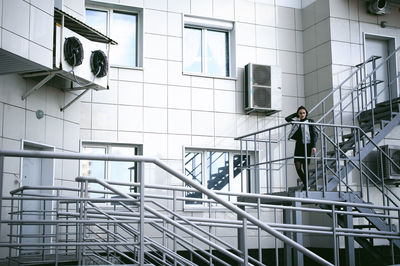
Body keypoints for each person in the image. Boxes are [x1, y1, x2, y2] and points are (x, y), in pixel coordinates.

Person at [285, 106, 318, 189]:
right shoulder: (296, 122)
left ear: (306, 113)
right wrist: (295, 114)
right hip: (299, 145)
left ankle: (306, 186)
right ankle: (306, 184)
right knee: (297, 166)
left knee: (305, 166)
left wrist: (314, 146)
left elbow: (314, 134)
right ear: (298, 114)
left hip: (307, 145)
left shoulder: (310, 121)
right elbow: (287, 118)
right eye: (300, 113)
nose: (302, 114)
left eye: (303, 113)